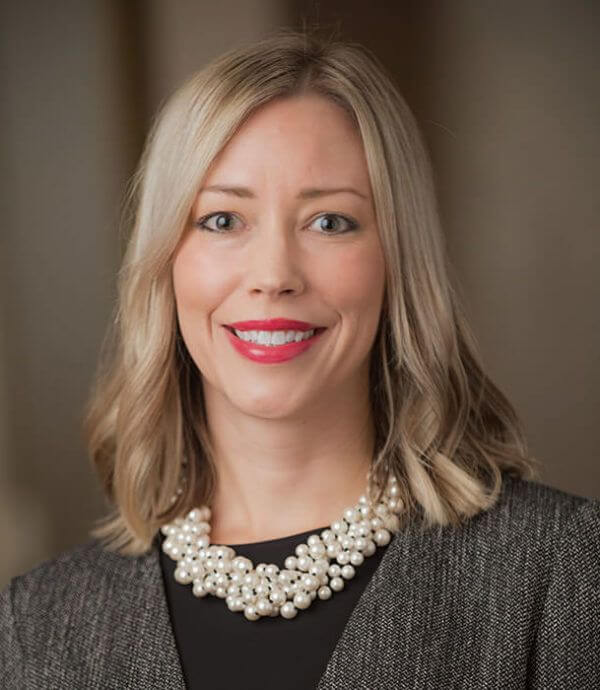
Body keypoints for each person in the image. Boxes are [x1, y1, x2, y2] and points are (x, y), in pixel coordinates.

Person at [1, 28, 598, 690]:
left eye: (330, 222)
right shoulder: (37, 624)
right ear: (165, 263)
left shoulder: (559, 568)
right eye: (223, 221)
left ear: (397, 262)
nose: (273, 275)